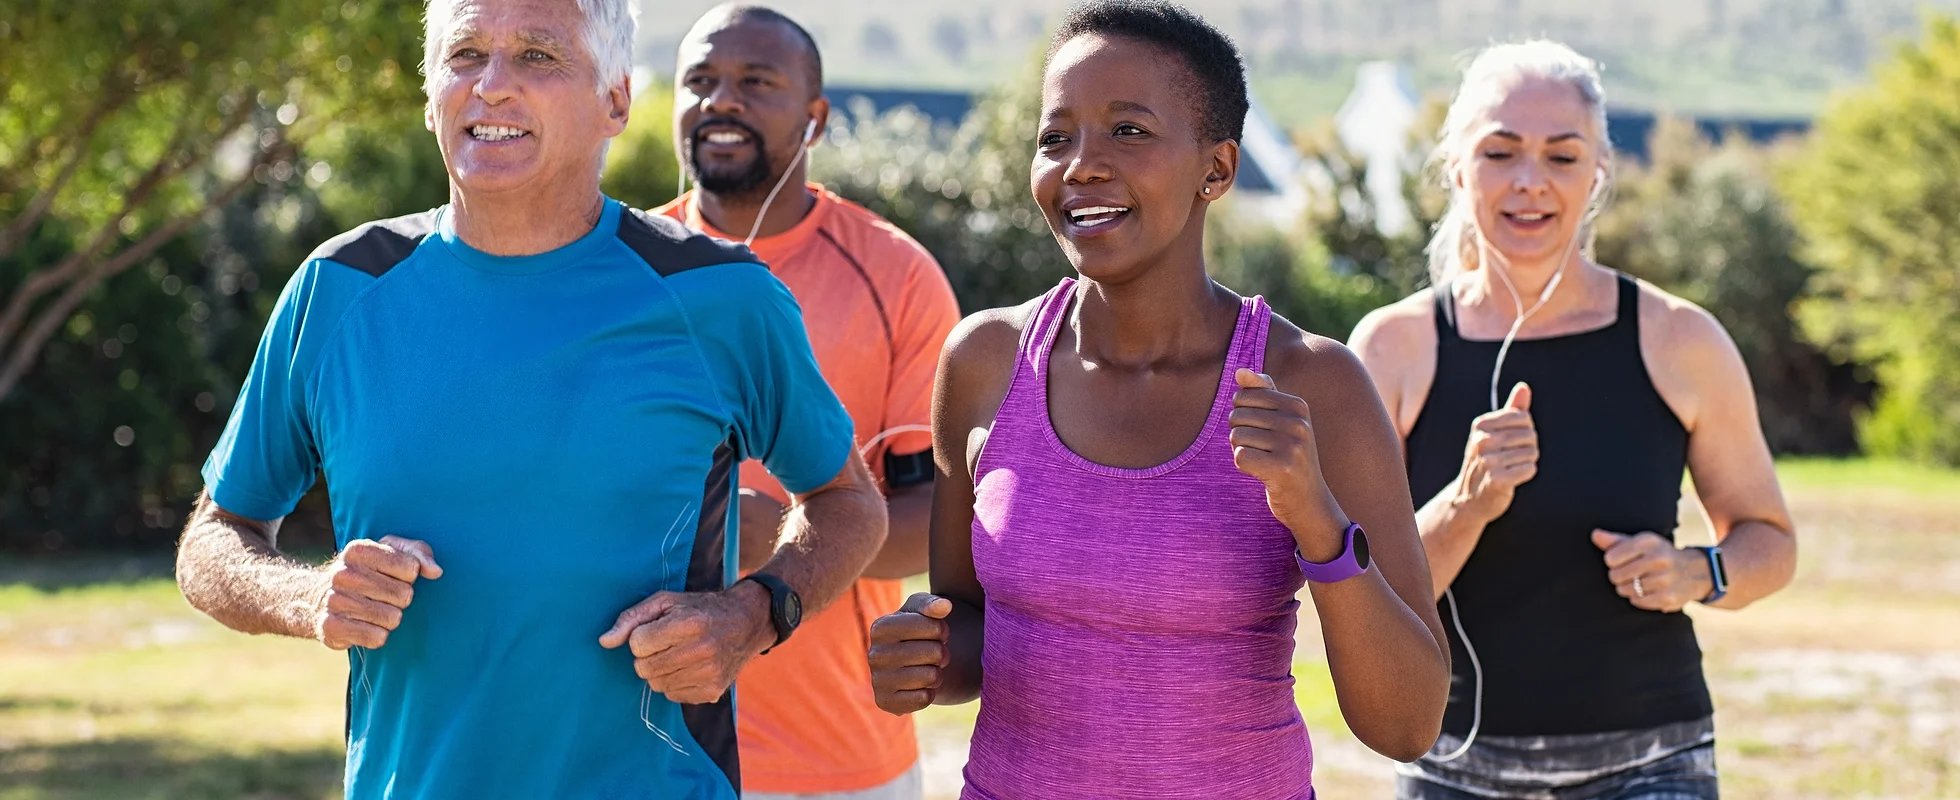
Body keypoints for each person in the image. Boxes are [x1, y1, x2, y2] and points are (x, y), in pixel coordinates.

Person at [172, 0, 888, 795]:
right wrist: (308, 596)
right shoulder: (338, 289)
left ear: (615, 100)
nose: (493, 86)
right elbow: (213, 541)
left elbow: (849, 501)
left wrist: (753, 615)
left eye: (539, 56)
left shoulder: (720, 297)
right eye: (466, 54)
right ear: (429, 92)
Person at [865, 2, 1452, 797]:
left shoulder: (1313, 384)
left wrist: (1315, 516)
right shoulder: (984, 363)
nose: (1081, 164)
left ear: (1217, 169)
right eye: (1054, 136)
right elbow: (966, 619)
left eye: (1128, 131)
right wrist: (926, 660)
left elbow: (1408, 725)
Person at [1348, 40, 1798, 800]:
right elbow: (1363, 595)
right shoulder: (1391, 348)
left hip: (1654, 761)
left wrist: (1699, 570)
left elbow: (1771, 543)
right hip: (1451, 768)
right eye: (1500, 152)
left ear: (1598, 175)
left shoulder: (1680, 338)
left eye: (1562, 156)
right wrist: (1466, 503)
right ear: (1458, 167)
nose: (1530, 182)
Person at [654, 6, 960, 799]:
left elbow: (940, 512)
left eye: (756, 82)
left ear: (815, 117)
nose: (722, 101)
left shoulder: (896, 275)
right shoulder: (615, 274)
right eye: (701, 81)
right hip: (643, 745)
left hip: (840, 754)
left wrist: (782, 543)